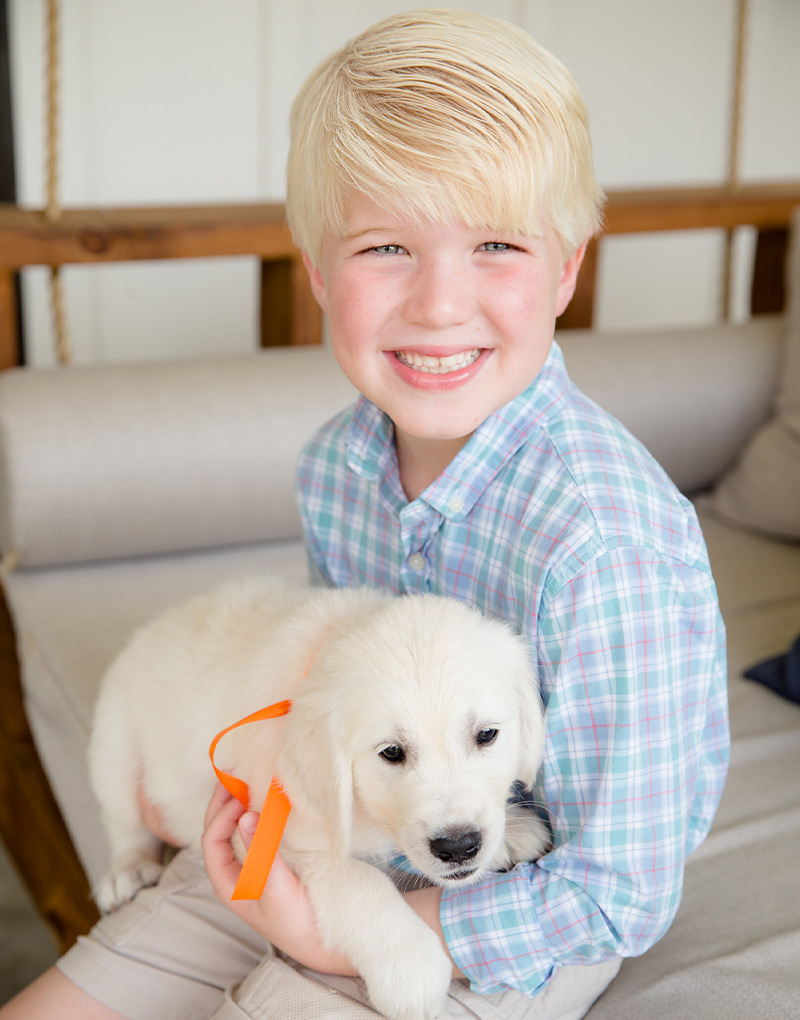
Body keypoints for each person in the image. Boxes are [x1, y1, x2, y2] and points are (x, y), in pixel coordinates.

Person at [0, 9, 729, 1020]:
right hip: (351, 841)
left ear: (565, 267)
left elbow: (618, 888)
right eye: (386, 246)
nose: (437, 303)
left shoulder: (602, 544)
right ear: (317, 273)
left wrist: (344, 938)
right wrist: (307, 874)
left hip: (528, 906)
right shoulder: (338, 465)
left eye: (495, 246)